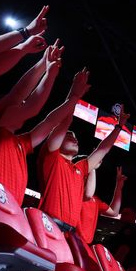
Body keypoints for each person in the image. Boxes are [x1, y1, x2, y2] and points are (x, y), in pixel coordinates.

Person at [0, 42, 87, 205]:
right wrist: (49, 72)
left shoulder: (22, 143)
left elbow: (50, 122)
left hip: (10, 215)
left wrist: (74, 96)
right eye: (18, 104)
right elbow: (31, 105)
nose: (22, 105)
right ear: (1, 108)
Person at [38, 86, 128, 231]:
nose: (75, 140)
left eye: (76, 138)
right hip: (48, 224)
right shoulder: (51, 157)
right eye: (69, 136)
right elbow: (65, 121)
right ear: (58, 139)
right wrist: (74, 95)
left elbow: (103, 149)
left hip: (69, 233)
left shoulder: (79, 168)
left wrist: (119, 127)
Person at [78, 166, 127, 245]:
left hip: (85, 245)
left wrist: (119, 187)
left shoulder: (95, 200)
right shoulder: (74, 192)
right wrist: (93, 167)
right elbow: (87, 195)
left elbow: (114, 212)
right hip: (71, 240)